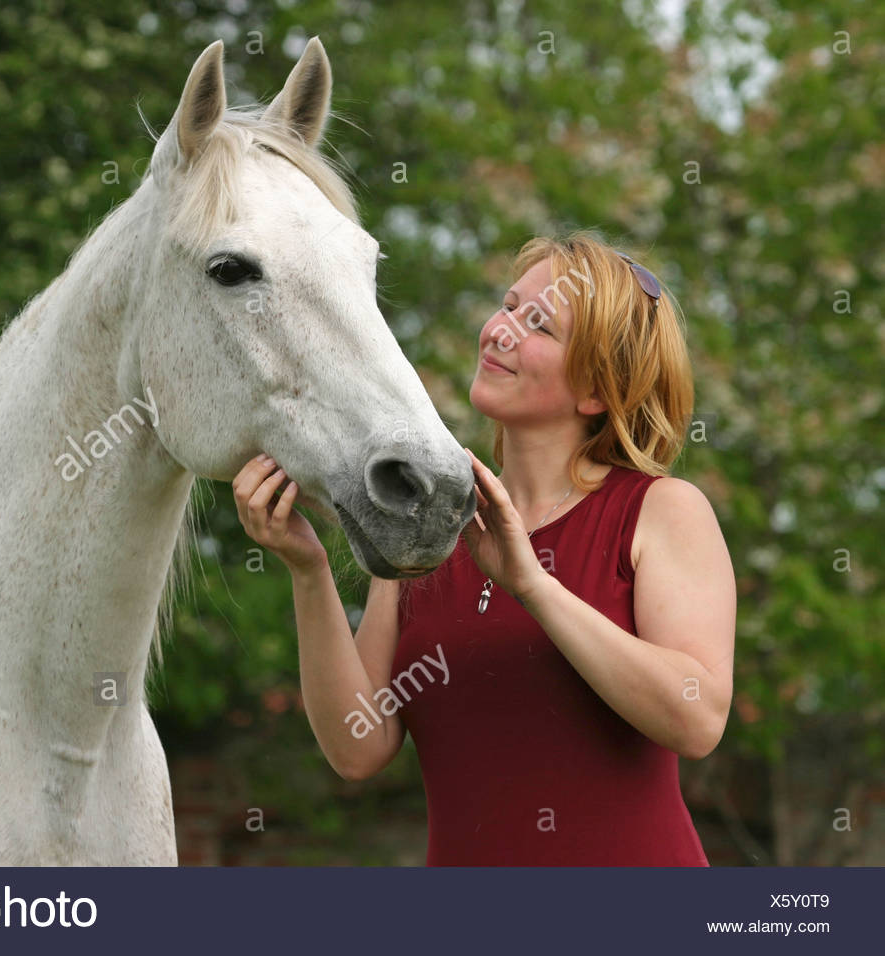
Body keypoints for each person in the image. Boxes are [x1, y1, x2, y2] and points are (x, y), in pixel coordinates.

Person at [232, 231, 735, 865]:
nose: (500, 330)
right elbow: (357, 746)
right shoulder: (432, 520)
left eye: (540, 326)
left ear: (596, 391)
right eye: (507, 305)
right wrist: (308, 570)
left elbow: (698, 718)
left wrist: (534, 587)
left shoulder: (661, 510)